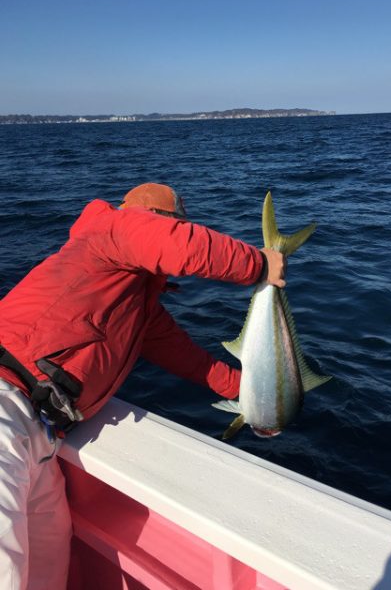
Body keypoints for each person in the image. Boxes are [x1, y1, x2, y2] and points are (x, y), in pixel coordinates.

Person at [0, 182, 286, 589]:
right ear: (153, 220)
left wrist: (250, 394)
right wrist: (259, 265)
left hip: (41, 432)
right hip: (6, 406)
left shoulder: (135, 303)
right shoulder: (110, 231)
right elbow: (181, 246)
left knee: (48, 564)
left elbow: (186, 358)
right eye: (175, 225)